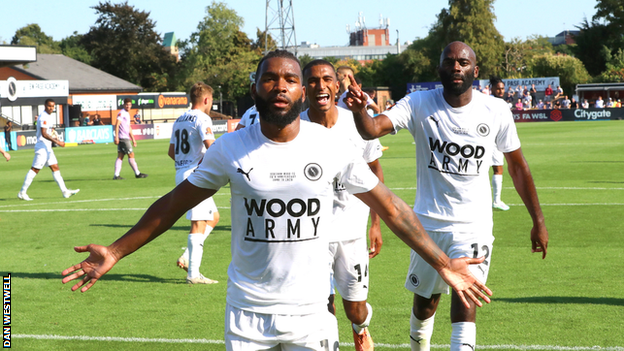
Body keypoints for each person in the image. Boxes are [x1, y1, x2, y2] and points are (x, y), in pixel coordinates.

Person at [62, 49, 492, 351]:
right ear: (255, 90)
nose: (281, 86)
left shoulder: (330, 146)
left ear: (301, 93)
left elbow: (392, 207)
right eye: (271, 78)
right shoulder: (230, 150)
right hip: (247, 314)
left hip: (310, 315)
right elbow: (173, 203)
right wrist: (116, 251)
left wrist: (441, 262)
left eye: (290, 79)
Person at [344, 41, 548, 351]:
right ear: (439, 69)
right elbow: (372, 129)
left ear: (475, 71)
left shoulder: (495, 110)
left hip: (474, 224)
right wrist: (360, 111)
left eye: (463, 63)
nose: (456, 67)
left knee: (467, 296)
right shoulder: (418, 104)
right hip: (426, 224)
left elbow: (517, 167)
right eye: (450, 62)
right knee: (426, 303)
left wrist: (538, 220)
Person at [301, 59, 385, 350]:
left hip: (352, 232)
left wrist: (375, 224)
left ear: (337, 86)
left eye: (326, 80)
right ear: (304, 90)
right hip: (312, 235)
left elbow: (375, 171)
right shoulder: (295, 129)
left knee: (355, 309)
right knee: (321, 306)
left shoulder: (356, 123)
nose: (320, 86)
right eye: (312, 81)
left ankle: (360, 328)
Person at [168, 82, 221, 285]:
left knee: (213, 217)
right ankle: (194, 275)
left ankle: (186, 257)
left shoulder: (180, 118)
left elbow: (171, 152)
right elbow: (212, 147)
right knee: (198, 223)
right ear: (206, 100)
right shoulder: (202, 118)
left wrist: (185, 164)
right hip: (196, 176)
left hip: (182, 173)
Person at [18, 99, 80, 201]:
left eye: (53, 106)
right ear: (45, 106)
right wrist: (57, 142)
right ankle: (22, 192)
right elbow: (44, 133)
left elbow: (47, 133)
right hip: (42, 147)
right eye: (49, 106)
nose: (51, 108)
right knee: (35, 169)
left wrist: (55, 139)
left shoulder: (48, 116)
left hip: (47, 147)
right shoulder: (43, 117)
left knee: (55, 167)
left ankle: (65, 191)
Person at [489, 76, 511, 211]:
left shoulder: (496, 102)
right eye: (498, 88)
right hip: (492, 141)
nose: (501, 91)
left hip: (493, 140)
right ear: (492, 89)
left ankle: (495, 200)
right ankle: (496, 200)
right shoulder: (494, 103)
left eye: (502, 88)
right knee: (498, 169)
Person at [113, 98, 148, 180]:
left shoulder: (127, 114)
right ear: (124, 105)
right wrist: (116, 136)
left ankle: (116, 175)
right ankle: (137, 173)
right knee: (131, 154)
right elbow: (117, 124)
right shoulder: (121, 113)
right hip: (123, 138)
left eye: (129, 105)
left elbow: (129, 127)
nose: (128, 106)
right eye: (126, 104)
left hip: (125, 137)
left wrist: (133, 139)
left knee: (120, 156)